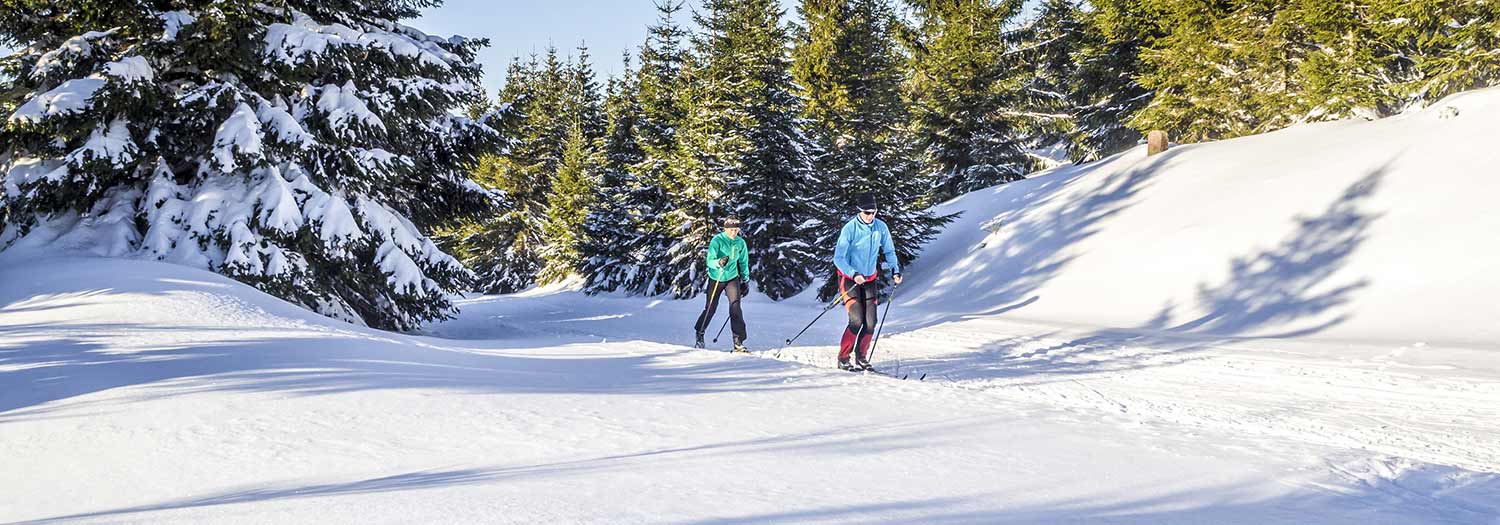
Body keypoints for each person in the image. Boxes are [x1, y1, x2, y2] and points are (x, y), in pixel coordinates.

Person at [832, 194, 901, 371]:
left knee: (871, 322)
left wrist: (896, 270)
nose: (871, 216)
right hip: (850, 280)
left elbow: (890, 251)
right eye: (867, 212)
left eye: (874, 212)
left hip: (870, 279)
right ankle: (843, 358)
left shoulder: (881, 227)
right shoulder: (850, 229)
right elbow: (838, 258)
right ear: (859, 211)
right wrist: (853, 273)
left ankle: (861, 357)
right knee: (856, 319)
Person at [694, 215, 750, 352]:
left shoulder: (740, 242)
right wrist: (718, 263)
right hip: (717, 277)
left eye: (736, 230)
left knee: (735, 308)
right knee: (711, 308)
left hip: (732, 278)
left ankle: (738, 341)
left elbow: (743, 262)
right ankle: (700, 333)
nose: (734, 233)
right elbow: (709, 261)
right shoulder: (717, 240)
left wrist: (745, 279)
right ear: (725, 229)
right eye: (731, 230)